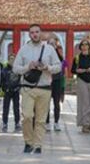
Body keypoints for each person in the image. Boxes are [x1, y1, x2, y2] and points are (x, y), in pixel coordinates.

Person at [13, 24, 62, 154]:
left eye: (37, 32)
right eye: (32, 32)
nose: (35, 34)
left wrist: (47, 67)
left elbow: (59, 67)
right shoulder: (23, 49)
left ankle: (38, 144)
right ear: (29, 34)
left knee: (41, 119)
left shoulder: (49, 49)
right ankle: (28, 142)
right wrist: (28, 67)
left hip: (45, 88)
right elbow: (15, 68)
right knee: (27, 116)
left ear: (41, 33)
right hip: (27, 88)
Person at [72, 40, 90, 133]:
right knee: (85, 103)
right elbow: (73, 70)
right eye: (82, 45)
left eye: (86, 45)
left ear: (89, 46)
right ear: (80, 47)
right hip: (82, 80)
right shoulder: (77, 58)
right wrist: (78, 70)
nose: (84, 46)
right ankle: (85, 124)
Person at [45, 37, 67, 132]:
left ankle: (56, 122)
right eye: (50, 43)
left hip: (57, 81)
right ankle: (47, 123)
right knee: (46, 103)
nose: (52, 45)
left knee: (56, 103)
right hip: (47, 81)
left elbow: (63, 73)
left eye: (53, 44)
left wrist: (63, 87)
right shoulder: (44, 56)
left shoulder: (60, 58)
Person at [0, 52, 21, 133]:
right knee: (6, 107)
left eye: (14, 59)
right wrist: (5, 89)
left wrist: (18, 88)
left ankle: (17, 123)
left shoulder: (18, 69)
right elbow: (2, 80)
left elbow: (20, 79)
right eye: (11, 59)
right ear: (8, 60)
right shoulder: (4, 70)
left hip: (16, 91)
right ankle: (4, 123)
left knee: (16, 108)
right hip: (8, 91)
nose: (12, 61)